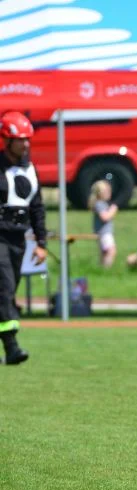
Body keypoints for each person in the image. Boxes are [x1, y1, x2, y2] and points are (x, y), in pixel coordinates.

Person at [0, 111, 46, 365]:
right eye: (21, 140)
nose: (26, 144)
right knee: (5, 289)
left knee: (7, 289)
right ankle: (12, 347)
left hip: (19, 239)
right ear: (6, 140)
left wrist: (41, 243)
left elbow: (37, 208)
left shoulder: (30, 169)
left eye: (28, 139)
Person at [89, 180, 117, 268]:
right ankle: (106, 268)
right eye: (107, 191)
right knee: (111, 250)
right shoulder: (99, 204)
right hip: (104, 233)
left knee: (104, 252)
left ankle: (102, 268)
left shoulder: (101, 204)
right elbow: (104, 217)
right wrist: (113, 210)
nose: (109, 193)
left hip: (104, 233)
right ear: (100, 193)